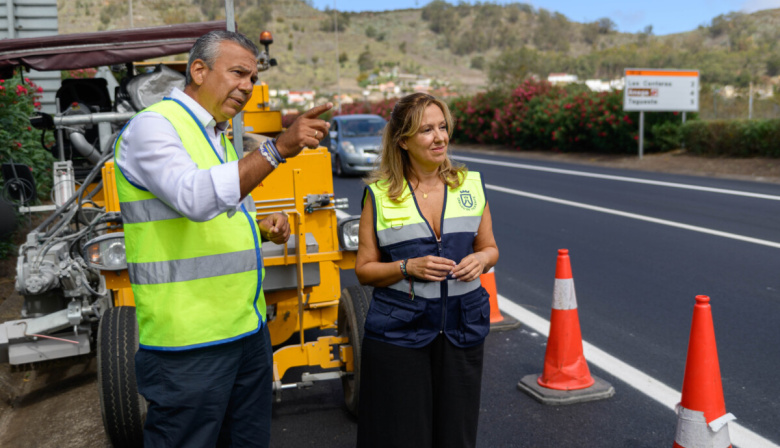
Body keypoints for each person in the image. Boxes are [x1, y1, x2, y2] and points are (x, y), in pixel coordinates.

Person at [113, 30, 331, 447]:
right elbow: (194, 198)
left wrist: (261, 226)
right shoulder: (153, 128)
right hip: (189, 346)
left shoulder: (217, 138)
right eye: (237, 73)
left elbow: (220, 213)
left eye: (252, 77)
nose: (248, 87)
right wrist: (277, 148)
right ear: (198, 70)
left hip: (245, 333)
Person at [354, 92, 499, 448]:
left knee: (456, 437)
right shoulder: (379, 195)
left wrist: (480, 261)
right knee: (404, 437)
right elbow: (364, 270)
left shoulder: (471, 185)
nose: (440, 137)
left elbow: (490, 248)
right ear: (403, 141)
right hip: (399, 336)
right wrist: (406, 267)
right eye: (426, 130)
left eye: (443, 127)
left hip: (461, 331)